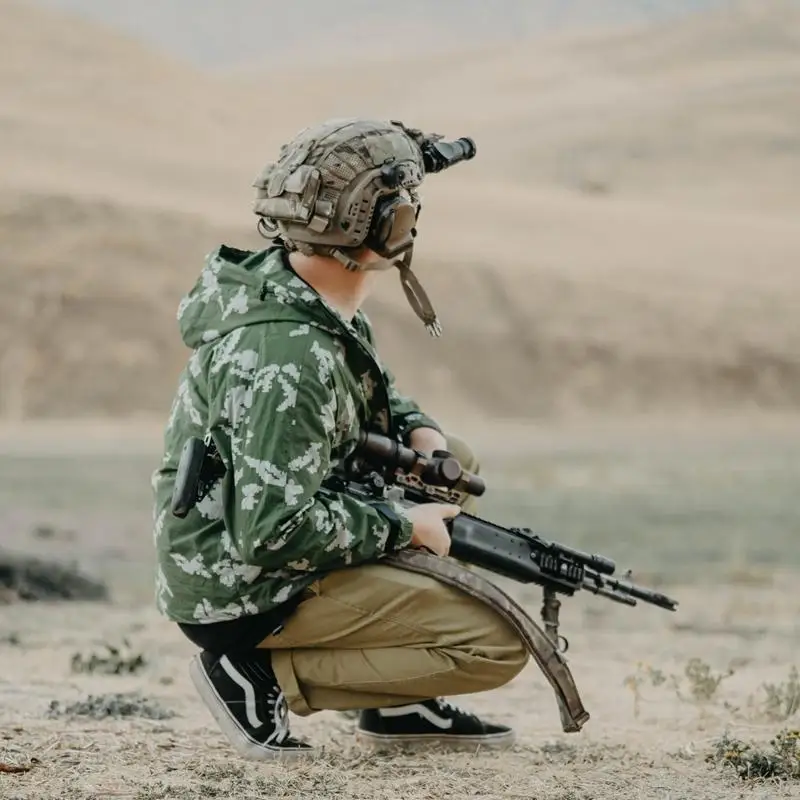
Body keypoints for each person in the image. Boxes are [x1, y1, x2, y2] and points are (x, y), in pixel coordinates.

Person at [151, 118, 529, 761]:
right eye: (406, 209)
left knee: (451, 463)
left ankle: (395, 699)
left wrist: (417, 429)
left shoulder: (305, 295)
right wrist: (405, 526)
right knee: (494, 644)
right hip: (243, 588)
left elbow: (361, 392)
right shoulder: (288, 354)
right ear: (387, 228)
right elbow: (270, 531)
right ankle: (252, 674)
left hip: (261, 546)